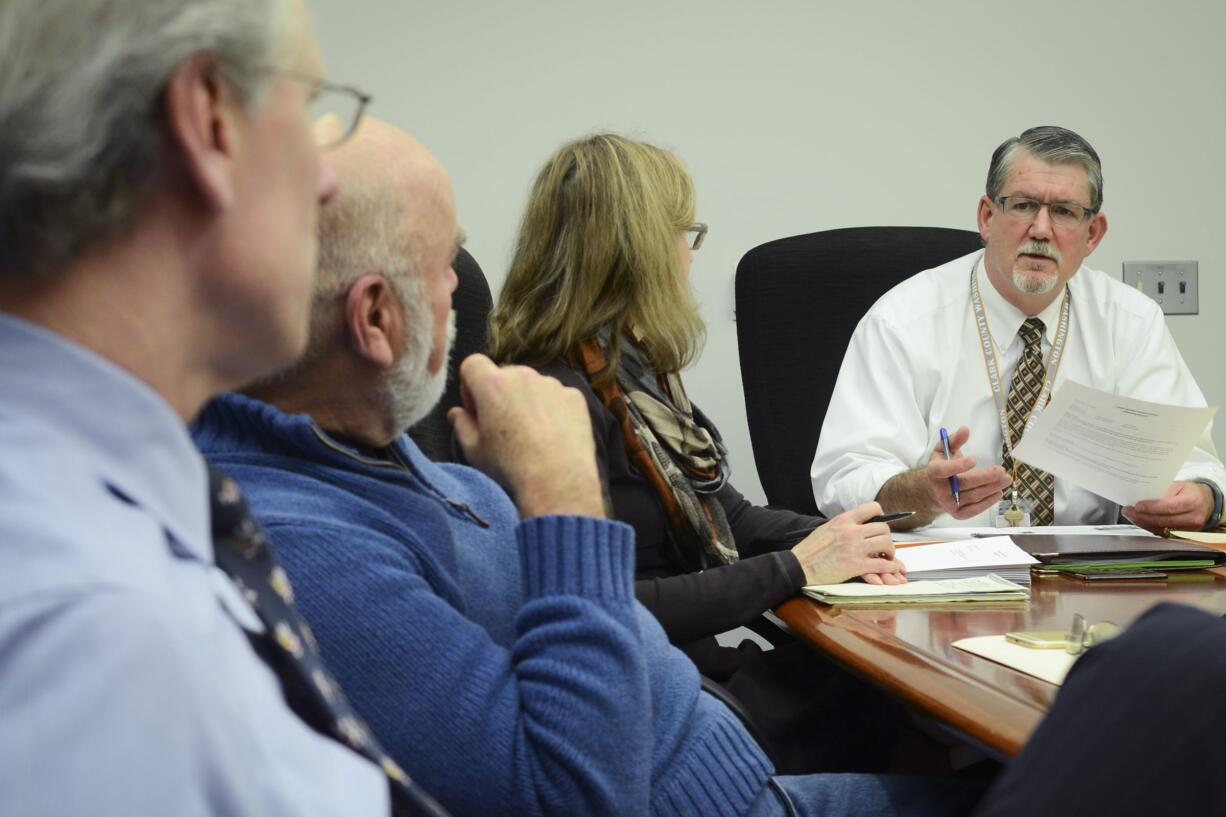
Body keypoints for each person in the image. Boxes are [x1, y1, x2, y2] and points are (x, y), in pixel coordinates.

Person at [193, 118, 983, 817]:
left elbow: (681, 554)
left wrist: (877, 526)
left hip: (715, 762)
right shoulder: (318, 550)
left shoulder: (415, 468)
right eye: (443, 268)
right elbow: (572, 788)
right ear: (373, 317)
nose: (463, 303)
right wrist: (562, 498)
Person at [0, 2, 446, 815]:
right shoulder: (86, 634)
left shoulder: (128, 523)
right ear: (207, 116)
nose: (325, 179)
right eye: (309, 104)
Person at [486, 133, 914, 773]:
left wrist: (864, 538)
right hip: (666, 705)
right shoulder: (552, 399)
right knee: (905, 704)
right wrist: (797, 567)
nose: (690, 255)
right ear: (637, 252)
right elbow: (613, 607)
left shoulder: (629, 371)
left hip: (692, 673)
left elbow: (730, 518)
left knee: (893, 689)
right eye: (685, 233)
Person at [811, 126, 1226, 532]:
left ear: (1092, 234)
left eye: (1064, 212)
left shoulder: (1130, 322)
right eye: (1024, 205)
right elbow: (844, 479)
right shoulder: (902, 320)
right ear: (988, 217)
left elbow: (1192, 462)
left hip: (1091, 571)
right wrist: (925, 491)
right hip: (937, 572)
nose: (1041, 230)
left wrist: (1203, 496)